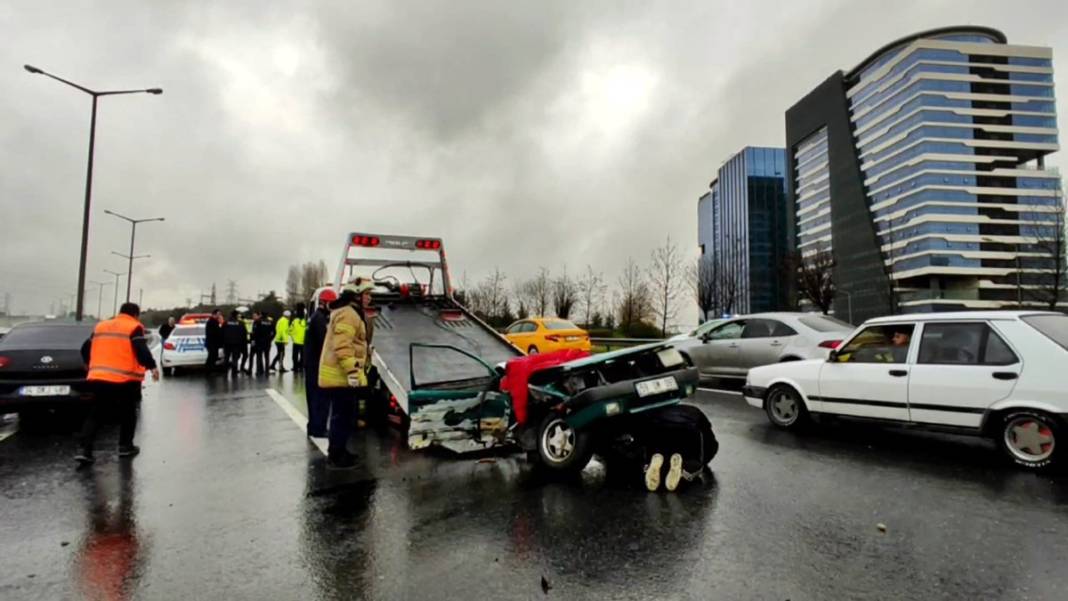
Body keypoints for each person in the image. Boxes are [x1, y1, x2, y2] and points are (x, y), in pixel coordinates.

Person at [75, 302, 160, 465]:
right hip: (124, 379)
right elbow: (141, 350)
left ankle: (84, 450)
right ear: (135, 314)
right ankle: (125, 446)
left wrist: (90, 364)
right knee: (128, 413)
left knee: (96, 413)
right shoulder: (134, 326)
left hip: (99, 377)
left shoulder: (101, 326)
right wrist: (152, 367)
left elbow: (85, 348)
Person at [319, 282, 374, 469]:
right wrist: (351, 370)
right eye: (367, 294)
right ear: (356, 295)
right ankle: (335, 457)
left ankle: (341, 451)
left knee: (345, 416)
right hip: (340, 377)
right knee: (341, 417)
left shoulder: (350, 313)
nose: (370, 297)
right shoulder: (348, 314)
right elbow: (343, 346)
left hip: (342, 377)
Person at [304, 289, 337, 438]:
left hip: (312, 364)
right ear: (325, 302)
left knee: (315, 398)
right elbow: (325, 343)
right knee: (319, 399)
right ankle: (318, 428)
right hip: (316, 365)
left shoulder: (317, 317)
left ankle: (314, 427)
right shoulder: (320, 320)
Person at [222, 310, 248, 375]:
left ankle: (225, 372)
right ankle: (234, 372)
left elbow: (221, 332)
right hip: (237, 344)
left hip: (227, 343)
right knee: (235, 358)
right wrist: (243, 343)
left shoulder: (226, 322)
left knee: (226, 357)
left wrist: (223, 342)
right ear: (236, 315)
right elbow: (244, 334)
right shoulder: (241, 323)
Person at [291, 304, 308, 372]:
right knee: (302, 355)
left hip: (296, 342)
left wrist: (293, 336)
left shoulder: (295, 321)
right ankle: (301, 367)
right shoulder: (305, 322)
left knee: (295, 356)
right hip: (303, 341)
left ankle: (295, 368)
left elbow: (290, 330)